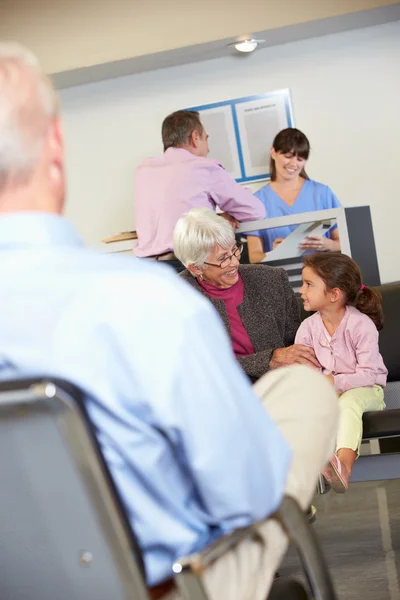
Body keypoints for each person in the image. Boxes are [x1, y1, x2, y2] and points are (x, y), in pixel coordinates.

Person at [0, 43, 339, 600]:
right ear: (54, 147)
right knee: (302, 394)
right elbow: (244, 494)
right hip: (171, 585)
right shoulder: (149, 306)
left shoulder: (166, 293)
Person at [174, 208, 320, 381]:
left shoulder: (271, 279)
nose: (235, 262)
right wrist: (266, 361)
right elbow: (194, 369)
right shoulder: (176, 299)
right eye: (223, 259)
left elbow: (296, 342)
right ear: (196, 267)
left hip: (282, 385)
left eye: (234, 250)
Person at [296, 253, 387, 493]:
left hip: (367, 392)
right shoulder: (307, 328)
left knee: (348, 404)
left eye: (308, 284)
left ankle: (343, 466)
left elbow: (368, 375)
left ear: (334, 294)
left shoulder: (361, 325)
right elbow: (308, 372)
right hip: (330, 395)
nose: (301, 290)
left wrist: (331, 381)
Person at [133, 109, 265, 269]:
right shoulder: (203, 167)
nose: (208, 149)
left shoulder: (143, 169)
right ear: (196, 137)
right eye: (206, 139)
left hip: (144, 268)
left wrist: (211, 220)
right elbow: (256, 211)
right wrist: (219, 220)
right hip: (184, 266)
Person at [246, 128, 341, 263]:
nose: (293, 164)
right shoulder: (257, 201)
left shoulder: (322, 193)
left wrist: (328, 245)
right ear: (273, 152)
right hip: (280, 278)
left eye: (300, 159)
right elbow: (254, 257)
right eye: (288, 156)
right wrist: (275, 253)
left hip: (323, 276)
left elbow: (345, 242)